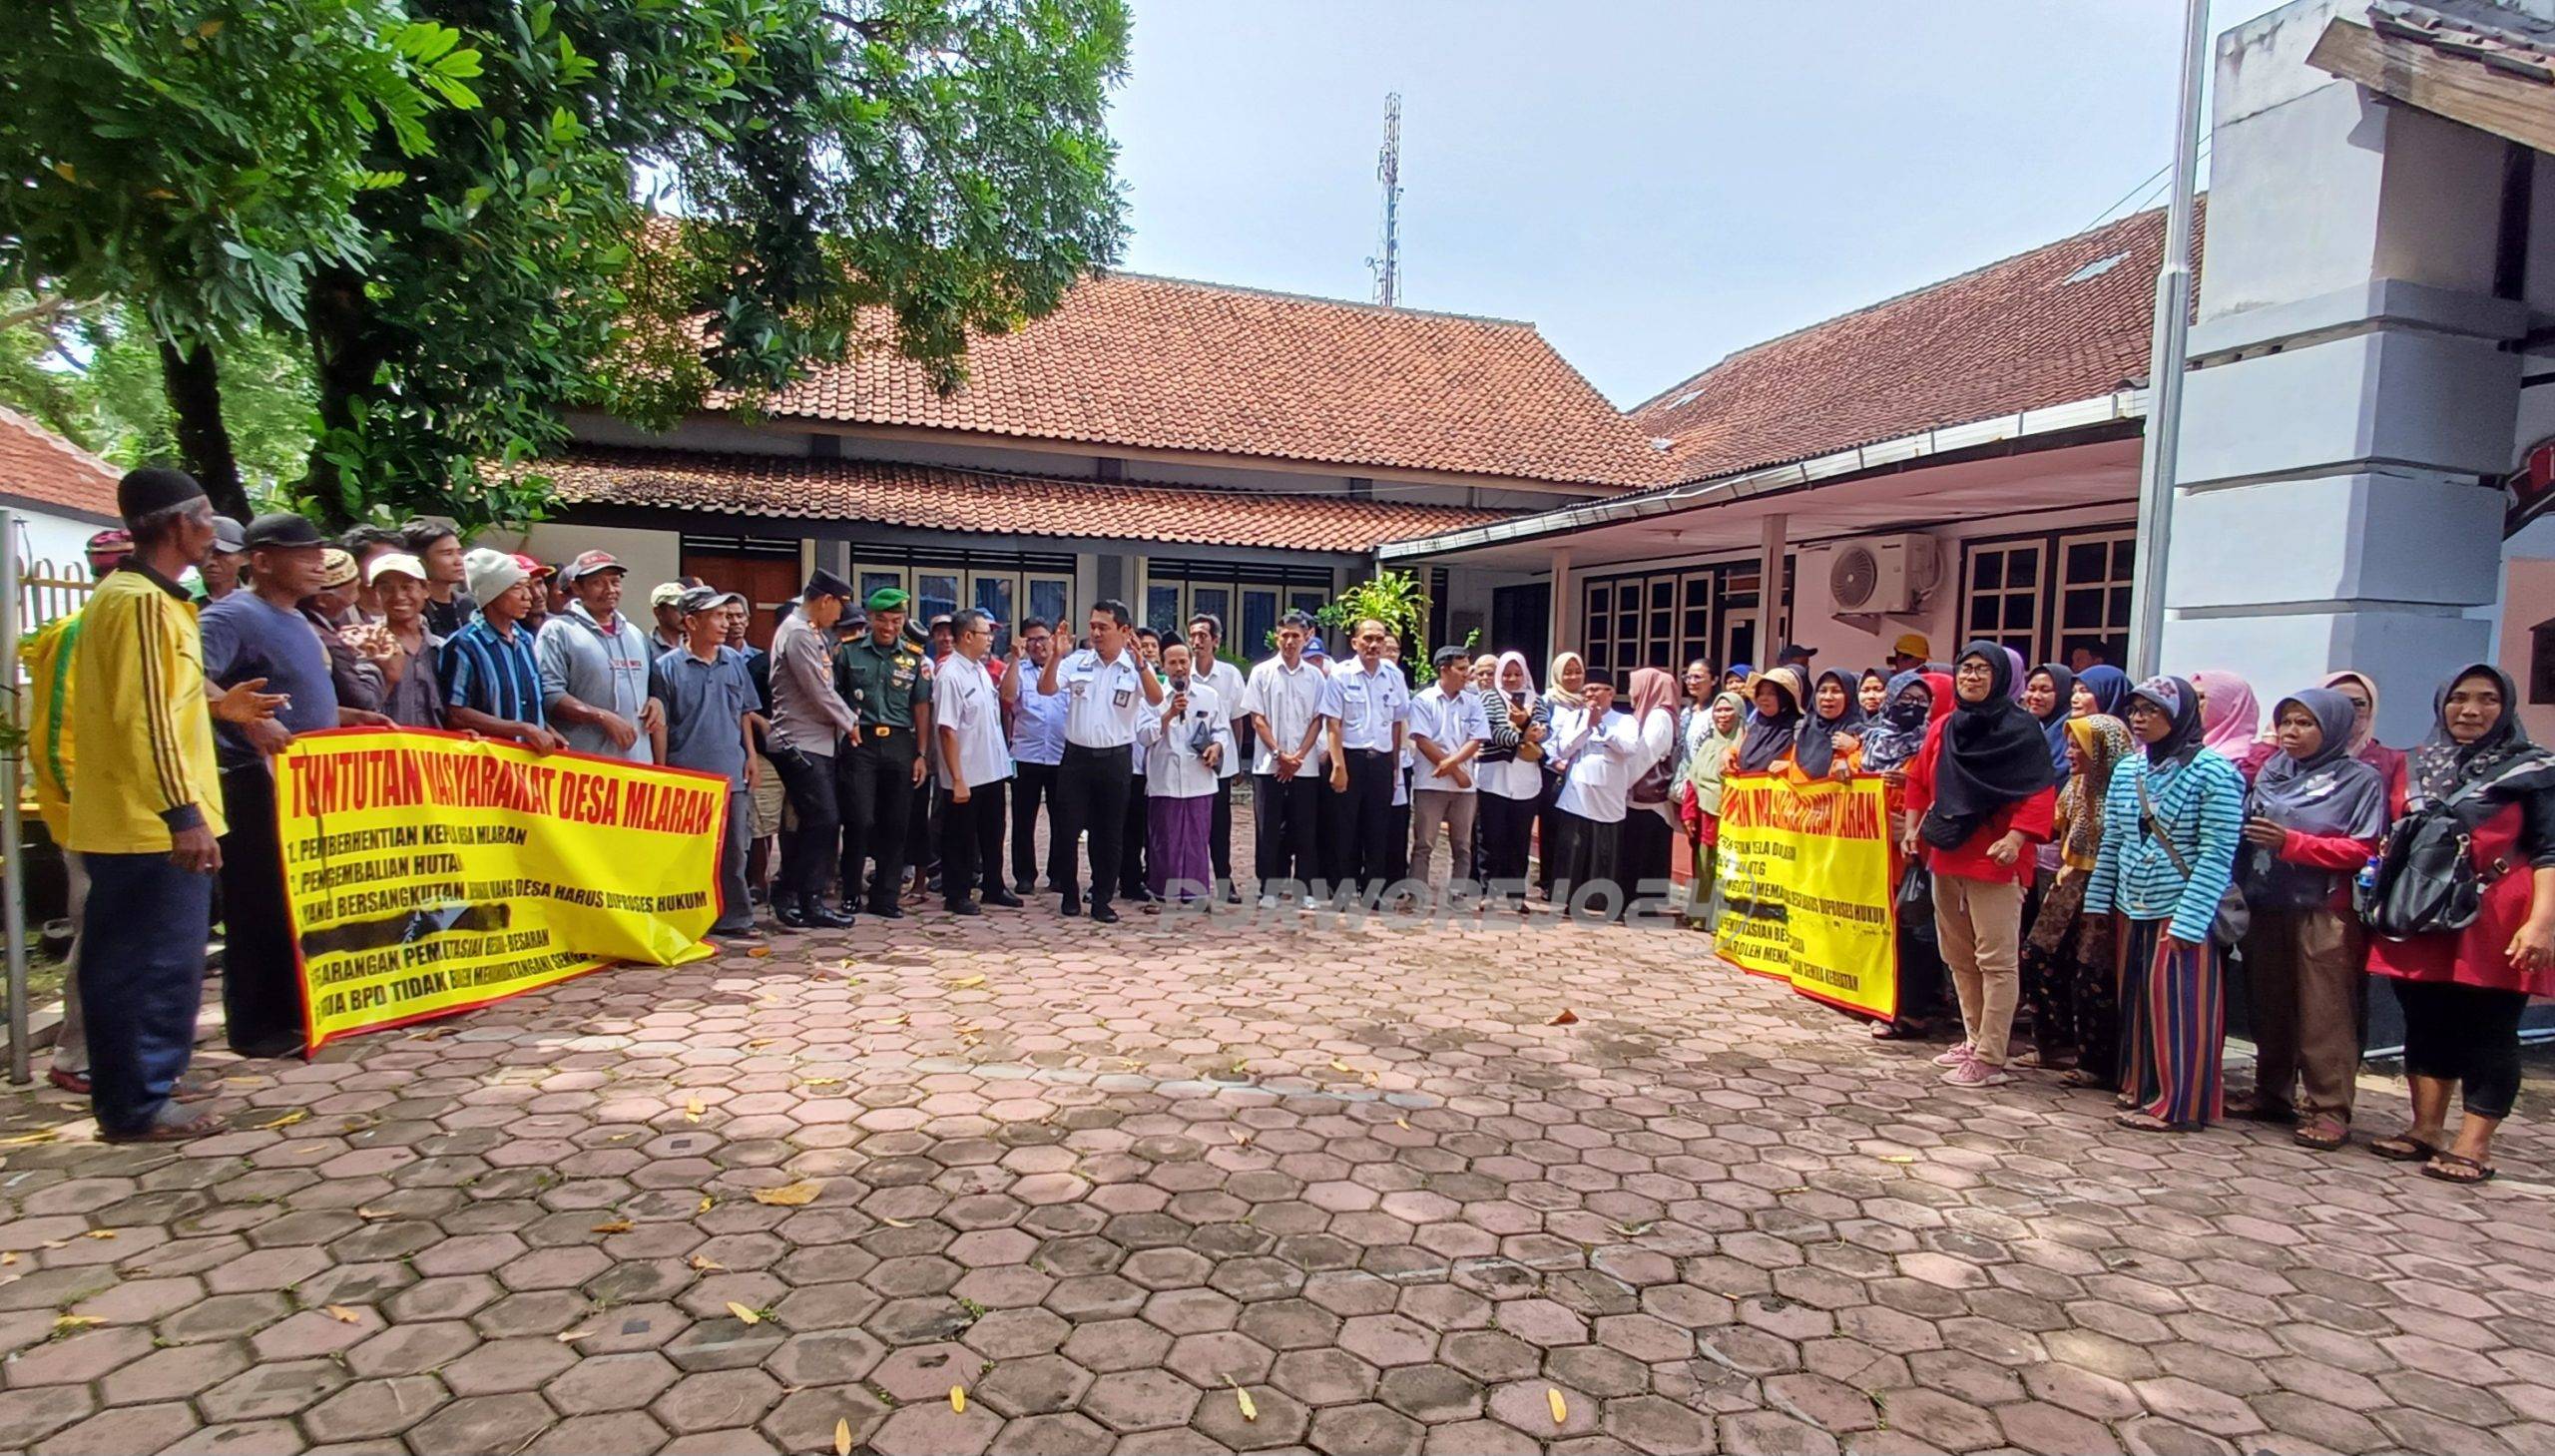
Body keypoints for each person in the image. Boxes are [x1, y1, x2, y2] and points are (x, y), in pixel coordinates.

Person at [73, 470, 281, 1140]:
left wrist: (223, 706)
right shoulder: (136, 603)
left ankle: (148, 1080)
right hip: (148, 826)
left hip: (150, 820)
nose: (211, 533)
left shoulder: (155, 600)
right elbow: (146, 723)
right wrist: (182, 815)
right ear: (176, 524)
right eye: (204, 519)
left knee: (160, 961)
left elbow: (167, 697)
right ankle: (137, 1102)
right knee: (149, 966)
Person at [2365, 665, 2555, 1185]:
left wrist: (2541, 924)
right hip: (2421, 911)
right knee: (2426, 1019)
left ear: (2507, 706)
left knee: (2490, 1029)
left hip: (2495, 916)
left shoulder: (2534, 769)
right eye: (2459, 699)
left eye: (2487, 699)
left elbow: (2549, 853)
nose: (2470, 710)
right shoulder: (2418, 763)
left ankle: (2473, 1145)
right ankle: (2425, 1128)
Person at [201, 512, 348, 1059]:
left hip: (303, 783)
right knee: (258, 903)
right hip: (253, 782)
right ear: (261, 561)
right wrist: (245, 718)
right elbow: (186, 675)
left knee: (295, 900)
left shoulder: (296, 619)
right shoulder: (233, 615)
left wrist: (351, 717)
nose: (319, 563)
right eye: (304, 554)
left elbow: (291, 695)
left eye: (319, 551)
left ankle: (293, 1012)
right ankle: (256, 1028)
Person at [2086, 676, 2247, 1133]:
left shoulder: (2214, 772)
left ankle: (2180, 1103)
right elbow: (2113, 840)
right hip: (2133, 901)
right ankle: (2142, 1086)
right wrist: (2100, 903)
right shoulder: (2128, 770)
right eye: (2135, 709)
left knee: (2181, 1004)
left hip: (2180, 904)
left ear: (2178, 717)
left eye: (2152, 710)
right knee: (2139, 1000)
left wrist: (2190, 918)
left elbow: (2217, 852)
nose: (2139, 719)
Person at [2232, 688, 2388, 1150]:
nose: (2291, 733)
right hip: (2268, 900)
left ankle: (2330, 1108)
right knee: (2269, 1001)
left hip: (2324, 908)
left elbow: (2364, 848)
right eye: (2287, 722)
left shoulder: (2360, 780)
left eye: (2305, 723)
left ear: (2333, 728)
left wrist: (2293, 844)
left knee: (2325, 1011)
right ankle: (2272, 1091)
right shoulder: (2272, 772)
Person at [1900, 645, 2059, 1088]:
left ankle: (1992, 1055)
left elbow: (2038, 791)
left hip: (1996, 857)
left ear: (2002, 677)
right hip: (1947, 850)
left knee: (1996, 958)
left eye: (1982, 670)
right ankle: (1973, 1039)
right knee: (1957, 953)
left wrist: (2017, 837)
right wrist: (1913, 828)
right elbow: (1918, 779)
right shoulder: (1945, 727)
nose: (1971, 677)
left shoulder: (2020, 730)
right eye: (1966, 669)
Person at [2019, 715, 2132, 1083]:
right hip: (2069, 882)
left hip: (2106, 887)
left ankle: (2096, 1064)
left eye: (2077, 745)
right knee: (2037, 956)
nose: (2069, 752)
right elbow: (2052, 824)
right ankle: (2054, 1045)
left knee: (2094, 974)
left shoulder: (2124, 787)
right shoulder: (2076, 785)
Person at [651, 587, 765, 939]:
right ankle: (688, 918)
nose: (725, 623)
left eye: (727, 616)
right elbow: (661, 723)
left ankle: (736, 917)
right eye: (716, 616)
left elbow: (744, 712)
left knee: (734, 852)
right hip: (688, 772)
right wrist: (660, 770)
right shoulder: (665, 668)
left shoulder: (733, 660)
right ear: (691, 622)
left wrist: (750, 756)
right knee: (688, 854)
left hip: (731, 771)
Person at [1043, 600, 1163, 922]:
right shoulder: (1077, 662)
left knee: (1109, 834)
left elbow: (1156, 699)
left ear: (1124, 631)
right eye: (1092, 625)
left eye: (1103, 627)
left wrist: (1141, 664)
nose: (1095, 632)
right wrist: (1056, 655)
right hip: (1076, 759)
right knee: (1066, 831)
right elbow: (1046, 688)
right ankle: (1069, 893)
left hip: (1116, 761)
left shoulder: (1136, 666)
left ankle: (1101, 898)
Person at [764, 570, 861, 930]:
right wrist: (851, 722)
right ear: (825, 601)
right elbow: (818, 692)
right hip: (798, 741)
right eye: (838, 608)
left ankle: (808, 898)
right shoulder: (799, 634)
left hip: (817, 742)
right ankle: (791, 892)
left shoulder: (812, 633)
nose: (840, 617)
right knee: (823, 819)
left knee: (816, 823)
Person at [1866, 670, 1955, 1042]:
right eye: (1905, 698)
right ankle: (1873, 998)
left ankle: (1913, 1009)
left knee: (1915, 929)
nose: (1911, 707)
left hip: (1916, 849)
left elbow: (1946, 788)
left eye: (1921, 701)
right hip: (1869, 852)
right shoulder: (1867, 740)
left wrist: (1914, 793)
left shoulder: (1936, 741)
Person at [833, 588, 932, 920]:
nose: (889, 627)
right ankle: (850, 891)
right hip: (861, 742)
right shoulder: (848, 653)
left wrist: (921, 753)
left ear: (903, 621)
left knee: (896, 822)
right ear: (870, 619)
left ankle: (885, 895)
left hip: (901, 744)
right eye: (882, 620)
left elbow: (921, 707)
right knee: (860, 820)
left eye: (896, 620)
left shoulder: (915, 658)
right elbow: (834, 697)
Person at [1242, 612, 1338, 908]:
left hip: (1304, 767)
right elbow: (1257, 718)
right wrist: (1278, 755)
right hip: (1267, 765)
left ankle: (1306, 888)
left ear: (1306, 637)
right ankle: (1268, 888)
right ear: (1276, 636)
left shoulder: (1316, 677)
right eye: (1285, 635)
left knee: (1304, 828)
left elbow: (1317, 720)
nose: (1290, 641)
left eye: (1296, 635)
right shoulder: (1261, 672)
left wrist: (1297, 758)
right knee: (1268, 828)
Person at [933, 608, 1021, 916]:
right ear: (967, 636)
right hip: (966, 774)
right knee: (960, 839)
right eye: (986, 633)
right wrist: (957, 778)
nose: (990, 639)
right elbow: (947, 729)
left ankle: (993, 886)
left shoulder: (979, 669)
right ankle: (956, 894)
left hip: (992, 769)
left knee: (993, 832)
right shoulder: (950, 675)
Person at [536, 551, 659, 763]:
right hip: (585, 769)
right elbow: (548, 693)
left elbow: (651, 686)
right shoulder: (559, 631)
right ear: (576, 588)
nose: (610, 590)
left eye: (615, 581)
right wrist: (600, 717)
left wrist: (656, 702)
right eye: (597, 583)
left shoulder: (634, 633)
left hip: (636, 768)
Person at [441, 550, 567, 753]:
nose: (528, 596)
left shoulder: (524, 639)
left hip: (528, 763)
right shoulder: (464, 644)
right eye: (517, 588)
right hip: (489, 764)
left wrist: (544, 728)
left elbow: (526, 700)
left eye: (527, 587)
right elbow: (456, 712)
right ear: (492, 594)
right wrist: (523, 729)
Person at [1138, 640, 1230, 905]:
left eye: (1183, 662)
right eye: (1173, 663)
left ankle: (1195, 894)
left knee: (1196, 840)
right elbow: (1143, 736)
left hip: (1199, 778)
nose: (1179, 668)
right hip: (1164, 779)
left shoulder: (1208, 696)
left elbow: (1221, 729)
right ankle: (1162, 893)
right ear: (1163, 666)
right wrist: (1167, 714)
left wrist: (1216, 746)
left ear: (1191, 663)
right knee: (1165, 840)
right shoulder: (1152, 696)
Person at [1326, 618, 1410, 906]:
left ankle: (1373, 893)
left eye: (1379, 639)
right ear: (1355, 643)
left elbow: (1397, 723)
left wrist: (1395, 764)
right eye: (1368, 639)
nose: (1374, 645)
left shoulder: (1394, 676)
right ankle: (1342, 890)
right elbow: (1333, 724)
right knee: (1344, 828)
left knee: (1378, 829)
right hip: (1351, 758)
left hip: (1382, 761)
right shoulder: (1341, 674)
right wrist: (1338, 766)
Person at [1548, 674, 1642, 916]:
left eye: (1597, 689)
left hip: (1609, 796)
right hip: (1577, 794)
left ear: (1610, 692)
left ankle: (1599, 902)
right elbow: (1564, 749)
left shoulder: (1625, 721)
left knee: (1603, 851)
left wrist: (1601, 726)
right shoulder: (1574, 717)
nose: (1590, 694)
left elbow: (1629, 748)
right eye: (1587, 690)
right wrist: (1586, 726)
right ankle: (1568, 900)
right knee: (1574, 850)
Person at [1408, 646, 1490, 899]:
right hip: (1431, 783)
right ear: (1444, 669)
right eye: (1462, 669)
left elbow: (1477, 739)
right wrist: (1457, 771)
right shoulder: (1423, 700)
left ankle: (1457, 894)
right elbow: (1422, 740)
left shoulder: (1473, 701)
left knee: (1462, 846)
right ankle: (1417, 893)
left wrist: (1452, 766)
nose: (1468, 674)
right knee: (1424, 844)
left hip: (1464, 787)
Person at [1477, 653, 1548, 910]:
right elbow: (1491, 731)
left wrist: (1526, 724)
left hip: (1526, 778)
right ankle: (1488, 890)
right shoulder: (1487, 698)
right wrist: (1521, 736)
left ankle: (1516, 894)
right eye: (1507, 674)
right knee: (1491, 837)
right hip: (1494, 777)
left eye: (1517, 674)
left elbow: (1544, 731)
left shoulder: (1536, 700)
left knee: (1519, 839)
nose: (1512, 679)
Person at [1187, 614, 1249, 903]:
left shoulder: (1229, 675)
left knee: (1220, 827)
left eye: (1203, 635)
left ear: (1216, 640)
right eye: (1193, 635)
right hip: (1188, 765)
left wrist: (1233, 760)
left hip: (1221, 764)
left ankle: (1225, 881)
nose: (1197, 641)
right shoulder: (1182, 672)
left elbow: (1236, 720)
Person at [1676, 688, 1747, 931]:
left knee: (1725, 868)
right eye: (1718, 710)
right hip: (1704, 814)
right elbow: (1693, 780)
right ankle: (1699, 916)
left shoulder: (1745, 746)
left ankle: (1721, 920)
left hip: (1732, 818)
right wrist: (1689, 813)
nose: (1722, 715)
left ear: (1739, 713)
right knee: (1703, 866)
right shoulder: (1707, 745)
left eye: (1729, 710)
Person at [1008, 617, 1067, 897]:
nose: (1037, 644)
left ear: (1053, 639)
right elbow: (1006, 699)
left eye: (1042, 638)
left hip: (1060, 755)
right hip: (1027, 754)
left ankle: (1059, 874)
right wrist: (1014, 659)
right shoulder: (1019, 670)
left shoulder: (1066, 670)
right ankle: (1024, 876)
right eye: (1030, 639)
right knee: (1023, 819)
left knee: (1062, 818)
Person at [1618, 668, 1684, 917]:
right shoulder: (1655, 714)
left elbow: (1645, 755)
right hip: (1646, 800)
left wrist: (1623, 783)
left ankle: (1641, 904)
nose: (1631, 692)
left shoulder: (1658, 717)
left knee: (1643, 851)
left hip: (1648, 801)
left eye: (1635, 685)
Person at [305, 548, 391, 717]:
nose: (357, 597)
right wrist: (373, 661)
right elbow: (363, 702)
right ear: (323, 600)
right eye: (353, 591)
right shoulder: (328, 643)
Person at [364, 553, 443, 729]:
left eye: (407, 587)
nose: (398, 596)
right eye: (386, 589)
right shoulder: (365, 647)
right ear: (376, 594)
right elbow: (361, 708)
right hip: (387, 751)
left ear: (425, 590)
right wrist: (388, 678)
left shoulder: (442, 648)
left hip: (437, 752)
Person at [1118, 626, 1166, 905]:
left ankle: (1146, 879)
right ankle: (1122, 879)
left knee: (1149, 831)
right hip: (1127, 764)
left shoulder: (1164, 684)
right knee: (1123, 830)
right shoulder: (1124, 675)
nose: (1147, 649)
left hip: (1155, 769)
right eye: (1141, 644)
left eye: (1152, 645)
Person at [1538, 651, 1590, 899]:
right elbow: (1542, 734)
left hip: (1580, 773)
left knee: (1576, 830)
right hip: (1553, 773)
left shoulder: (1588, 701)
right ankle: (1549, 881)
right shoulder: (1547, 701)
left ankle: (1573, 880)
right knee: (1552, 828)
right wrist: (1556, 761)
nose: (1573, 676)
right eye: (1567, 672)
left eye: (1577, 671)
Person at [2320, 669, 2408, 814]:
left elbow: (2401, 815)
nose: (2348, 710)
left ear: (2371, 710)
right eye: (2337, 701)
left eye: (2359, 704)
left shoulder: (2393, 761)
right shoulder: (2294, 758)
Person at [399, 517, 474, 636]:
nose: (459, 561)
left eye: (459, 552)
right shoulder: (409, 608)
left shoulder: (470, 605)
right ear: (421, 560)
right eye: (447, 553)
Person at [1730, 666, 1808, 775]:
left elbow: (1812, 763)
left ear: (1785, 697)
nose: (1763, 698)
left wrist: (1791, 766)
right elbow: (1739, 753)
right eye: (1760, 693)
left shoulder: (1800, 727)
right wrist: (1730, 755)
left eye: (1771, 693)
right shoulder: (1754, 726)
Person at [1797, 669, 1867, 781]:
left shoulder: (1862, 734)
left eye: (1836, 691)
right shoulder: (1803, 730)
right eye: (1822, 690)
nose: (1828, 697)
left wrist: (1854, 749)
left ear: (1848, 696)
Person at [2192, 670, 2263, 759]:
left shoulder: (2248, 763)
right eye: (2190, 697)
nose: (2193, 704)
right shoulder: (2183, 751)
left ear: (2226, 704)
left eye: (2201, 697)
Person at [199, 515, 246, 602]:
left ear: (245, 558)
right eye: (204, 553)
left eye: (221, 553)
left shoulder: (262, 601)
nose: (210, 562)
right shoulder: (177, 600)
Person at [648, 583, 687, 652]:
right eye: (678, 608)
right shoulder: (646, 647)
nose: (685, 613)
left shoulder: (696, 646)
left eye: (687, 608)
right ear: (658, 612)